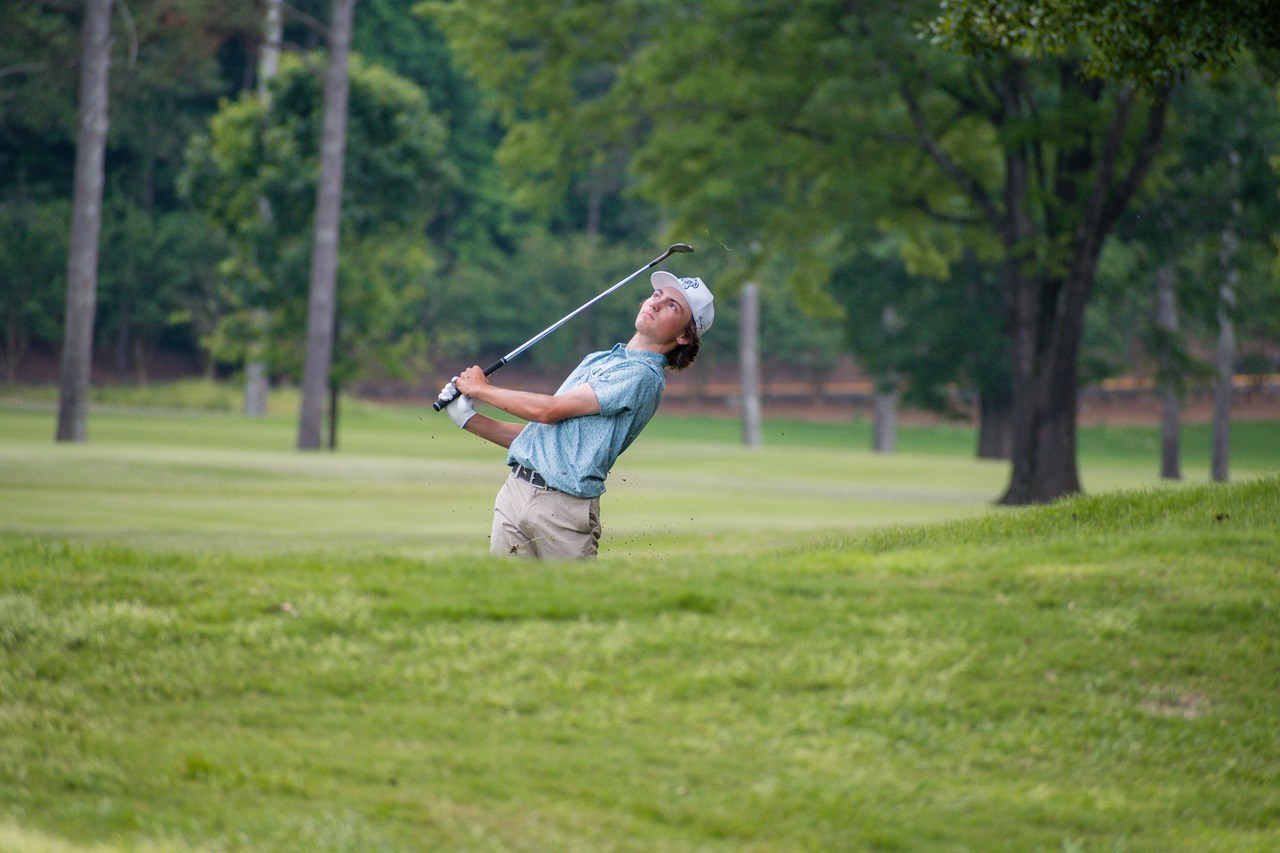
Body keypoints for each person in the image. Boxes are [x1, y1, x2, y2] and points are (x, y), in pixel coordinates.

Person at [436, 271, 713, 560]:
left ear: (684, 336)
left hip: (564, 510)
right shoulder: (600, 359)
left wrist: (479, 389)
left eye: (672, 306)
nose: (655, 303)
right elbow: (540, 439)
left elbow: (548, 411)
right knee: (501, 601)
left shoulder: (643, 376)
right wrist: (468, 419)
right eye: (657, 295)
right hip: (515, 492)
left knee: (571, 604)